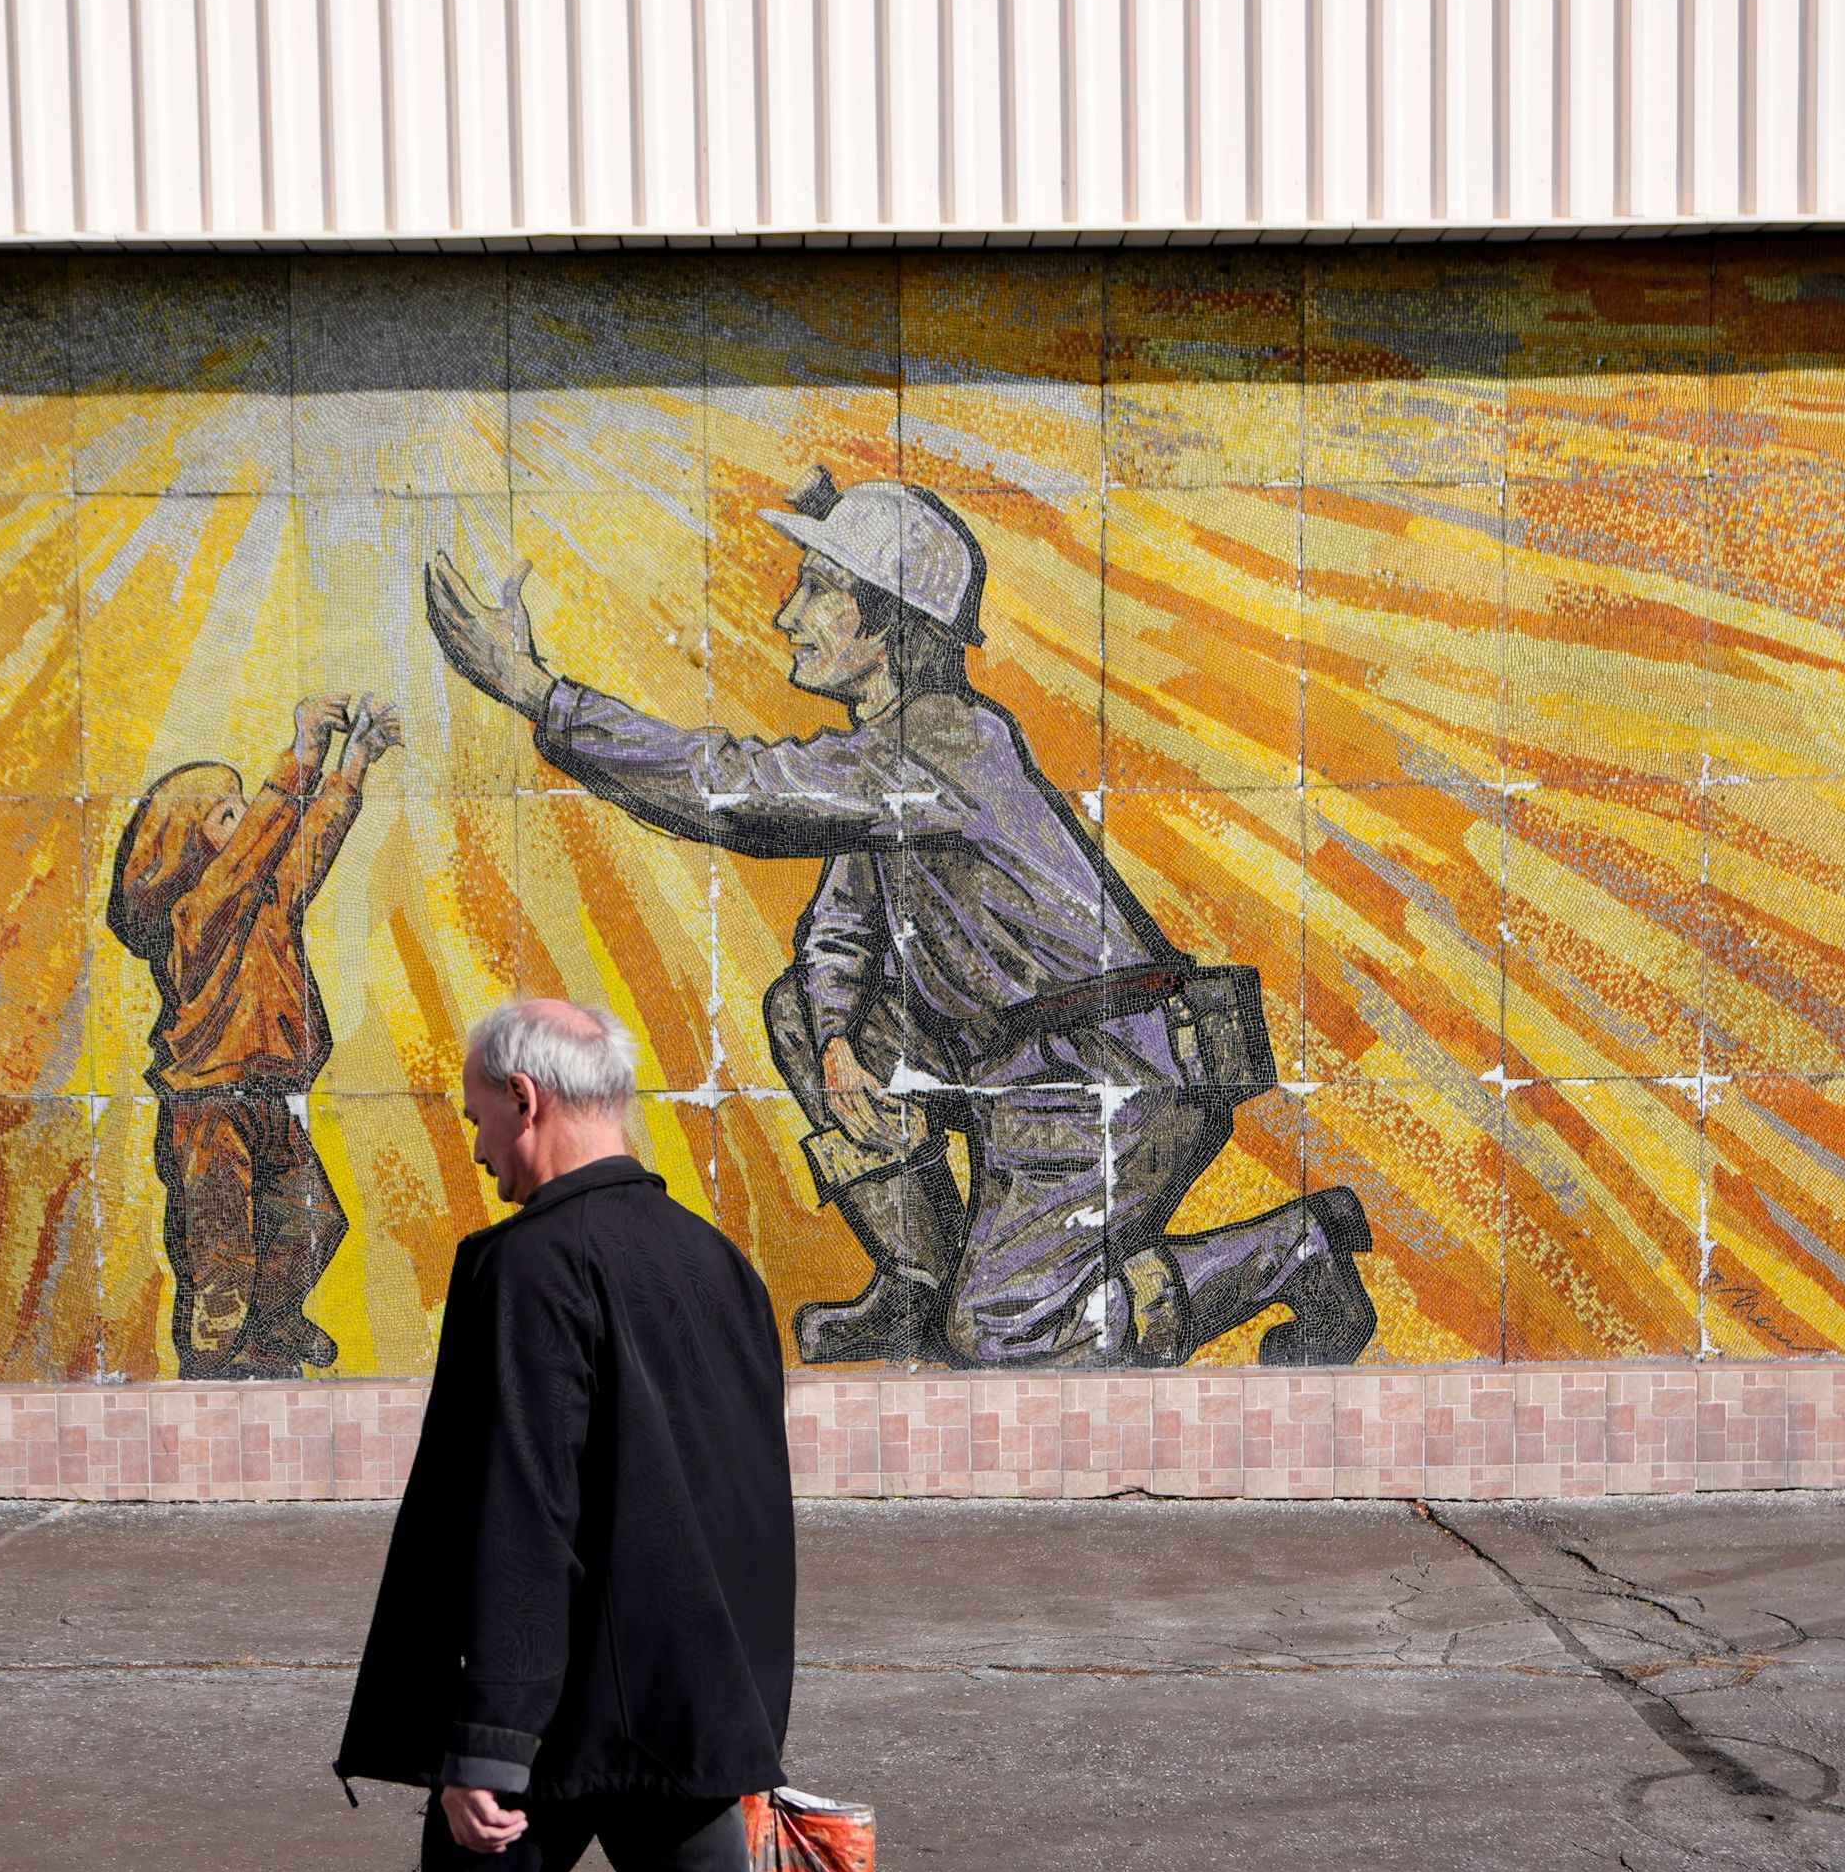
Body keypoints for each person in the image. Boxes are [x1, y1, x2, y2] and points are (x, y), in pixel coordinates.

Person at [289, 995, 1024, 1872]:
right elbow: (745, 1499)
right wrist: (741, 1707)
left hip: (560, 1703)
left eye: (474, 1115)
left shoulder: (525, 1269)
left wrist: (490, 1739)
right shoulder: (715, 1262)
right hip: (687, 1693)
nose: (475, 1146)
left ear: (526, 1095)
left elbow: (521, 1509)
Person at [421, 477, 1376, 1371]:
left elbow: (737, 791)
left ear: (887, 627)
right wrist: (838, 1039)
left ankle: (1296, 1249)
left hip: (1108, 1084)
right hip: (1011, 1070)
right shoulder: (888, 763)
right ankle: (921, 1281)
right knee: (802, 1007)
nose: (787, 615)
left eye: (819, 590)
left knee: (1006, 1340)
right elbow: (839, 935)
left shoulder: (946, 746)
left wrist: (543, 696)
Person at [104, 694, 401, 1378]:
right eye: (226, 813)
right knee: (222, 1262)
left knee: (311, 1223)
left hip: (269, 1094)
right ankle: (213, 1372)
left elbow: (309, 846)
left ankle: (267, 1330)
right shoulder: (195, 915)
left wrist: (354, 760)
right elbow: (250, 859)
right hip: (207, 1108)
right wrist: (303, 752)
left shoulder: (263, 906)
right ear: (188, 842)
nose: (245, 822)